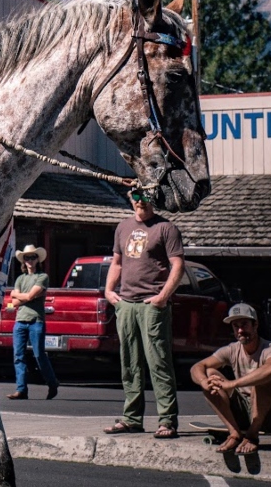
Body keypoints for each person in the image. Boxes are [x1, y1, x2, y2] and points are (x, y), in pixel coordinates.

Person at [103, 188, 186, 439]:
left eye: (146, 197)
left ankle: (167, 420)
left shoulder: (166, 228)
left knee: (158, 361)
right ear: (130, 198)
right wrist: (108, 291)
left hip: (152, 304)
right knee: (130, 363)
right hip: (126, 303)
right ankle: (132, 419)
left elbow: (178, 265)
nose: (141, 202)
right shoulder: (122, 227)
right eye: (136, 197)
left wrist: (163, 297)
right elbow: (117, 262)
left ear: (154, 199)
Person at [190, 303, 271, 454]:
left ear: (255, 325)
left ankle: (252, 436)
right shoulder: (232, 349)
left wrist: (232, 384)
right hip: (244, 413)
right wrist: (204, 382)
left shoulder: (270, 348)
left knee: (262, 380)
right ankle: (235, 433)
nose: (240, 330)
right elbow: (197, 367)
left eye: (244, 325)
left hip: (270, 414)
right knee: (210, 374)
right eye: (235, 326)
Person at [5, 244, 60, 400]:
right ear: (23, 260)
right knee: (18, 356)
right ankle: (21, 389)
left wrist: (18, 295)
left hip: (36, 320)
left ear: (38, 259)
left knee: (39, 355)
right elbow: (12, 302)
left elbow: (26, 297)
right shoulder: (20, 278)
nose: (30, 260)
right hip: (20, 321)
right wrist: (21, 297)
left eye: (33, 257)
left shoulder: (42, 277)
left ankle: (52, 382)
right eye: (27, 257)